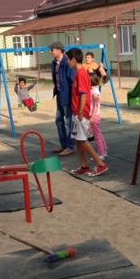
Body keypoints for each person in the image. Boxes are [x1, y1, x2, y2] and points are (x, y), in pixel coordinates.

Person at [66, 48, 109, 177]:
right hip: (76, 112)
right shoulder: (79, 73)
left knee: (83, 140)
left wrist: (80, 112)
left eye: (68, 59)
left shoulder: (81, 74)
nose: (68, 62)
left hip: (81, 113)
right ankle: (84, 165)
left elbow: (84, 94)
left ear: (73, 59)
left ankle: (101, 164)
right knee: (79, 140)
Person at [50, 41, 75, 156]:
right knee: (58, 120)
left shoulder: (67, 62)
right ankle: (63, 144)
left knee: (68, 121)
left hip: (67, 96)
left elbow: (72, 80)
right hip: (60, 95)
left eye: (53, 49)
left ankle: (70, 146)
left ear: (59, 50)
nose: (51, 51)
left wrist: (73, 97)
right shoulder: (54, 63)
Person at [89, 70, 108, 160]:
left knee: (97, 135)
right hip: (94, 115)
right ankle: (104, 150)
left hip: (94, 116)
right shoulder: (92, 90)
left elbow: (96, 104)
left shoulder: (94, 91)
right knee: (98, 133)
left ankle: (101, 154)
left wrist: (92, 117)